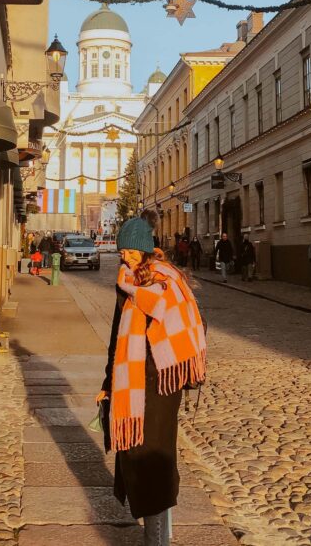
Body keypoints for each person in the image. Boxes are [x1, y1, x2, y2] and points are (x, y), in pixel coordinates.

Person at [97, 217, 206, 546]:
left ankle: (157, 540)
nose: (124, 257)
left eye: (130, 251)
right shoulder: (125, 283)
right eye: (122, 251)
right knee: (132, 456)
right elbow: (117, 338)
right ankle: (157, 532)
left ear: (145, 250)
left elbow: (191, 327)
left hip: (161, 383)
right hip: (131, 381)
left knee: (155, 459)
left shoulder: (169, 281)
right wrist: (107, 383)